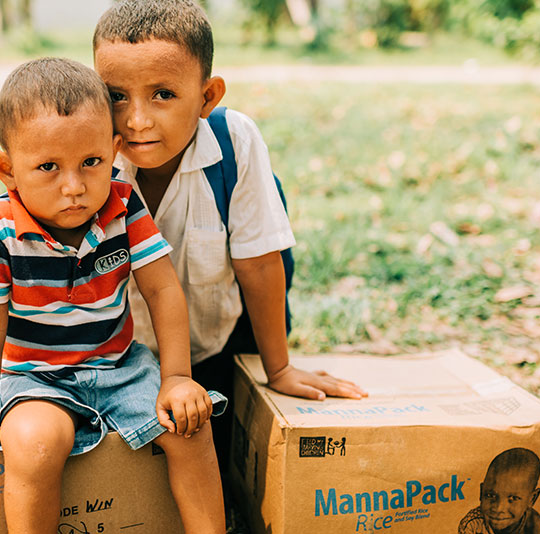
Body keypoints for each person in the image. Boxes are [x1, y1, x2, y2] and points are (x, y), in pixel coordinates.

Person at [0, 57, 226, 534]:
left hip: (119, 366)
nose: (74, 187)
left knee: (189, 426)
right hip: (36, 377)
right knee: (35, 445)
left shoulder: (121, 204)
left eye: (91, 163)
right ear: (7, 170)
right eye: (48, 167)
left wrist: (176, 377)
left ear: (115, 152)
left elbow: (162, 290)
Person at [92, 0, 367, 469]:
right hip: (119, 356)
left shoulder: (233, 140)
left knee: (222, 457)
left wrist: (277, 368)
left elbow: (259, 261)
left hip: (219, 343)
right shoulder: (87, 154)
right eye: (117, 95)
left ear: (207, 96)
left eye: (162, 95)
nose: (137, 119)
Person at [459, 448, 540, 534]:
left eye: (513, 498)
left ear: (532, 499)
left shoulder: (534, 526)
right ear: (481, 491)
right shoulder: (473, 525)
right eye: (490, 495)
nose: (498, 508)